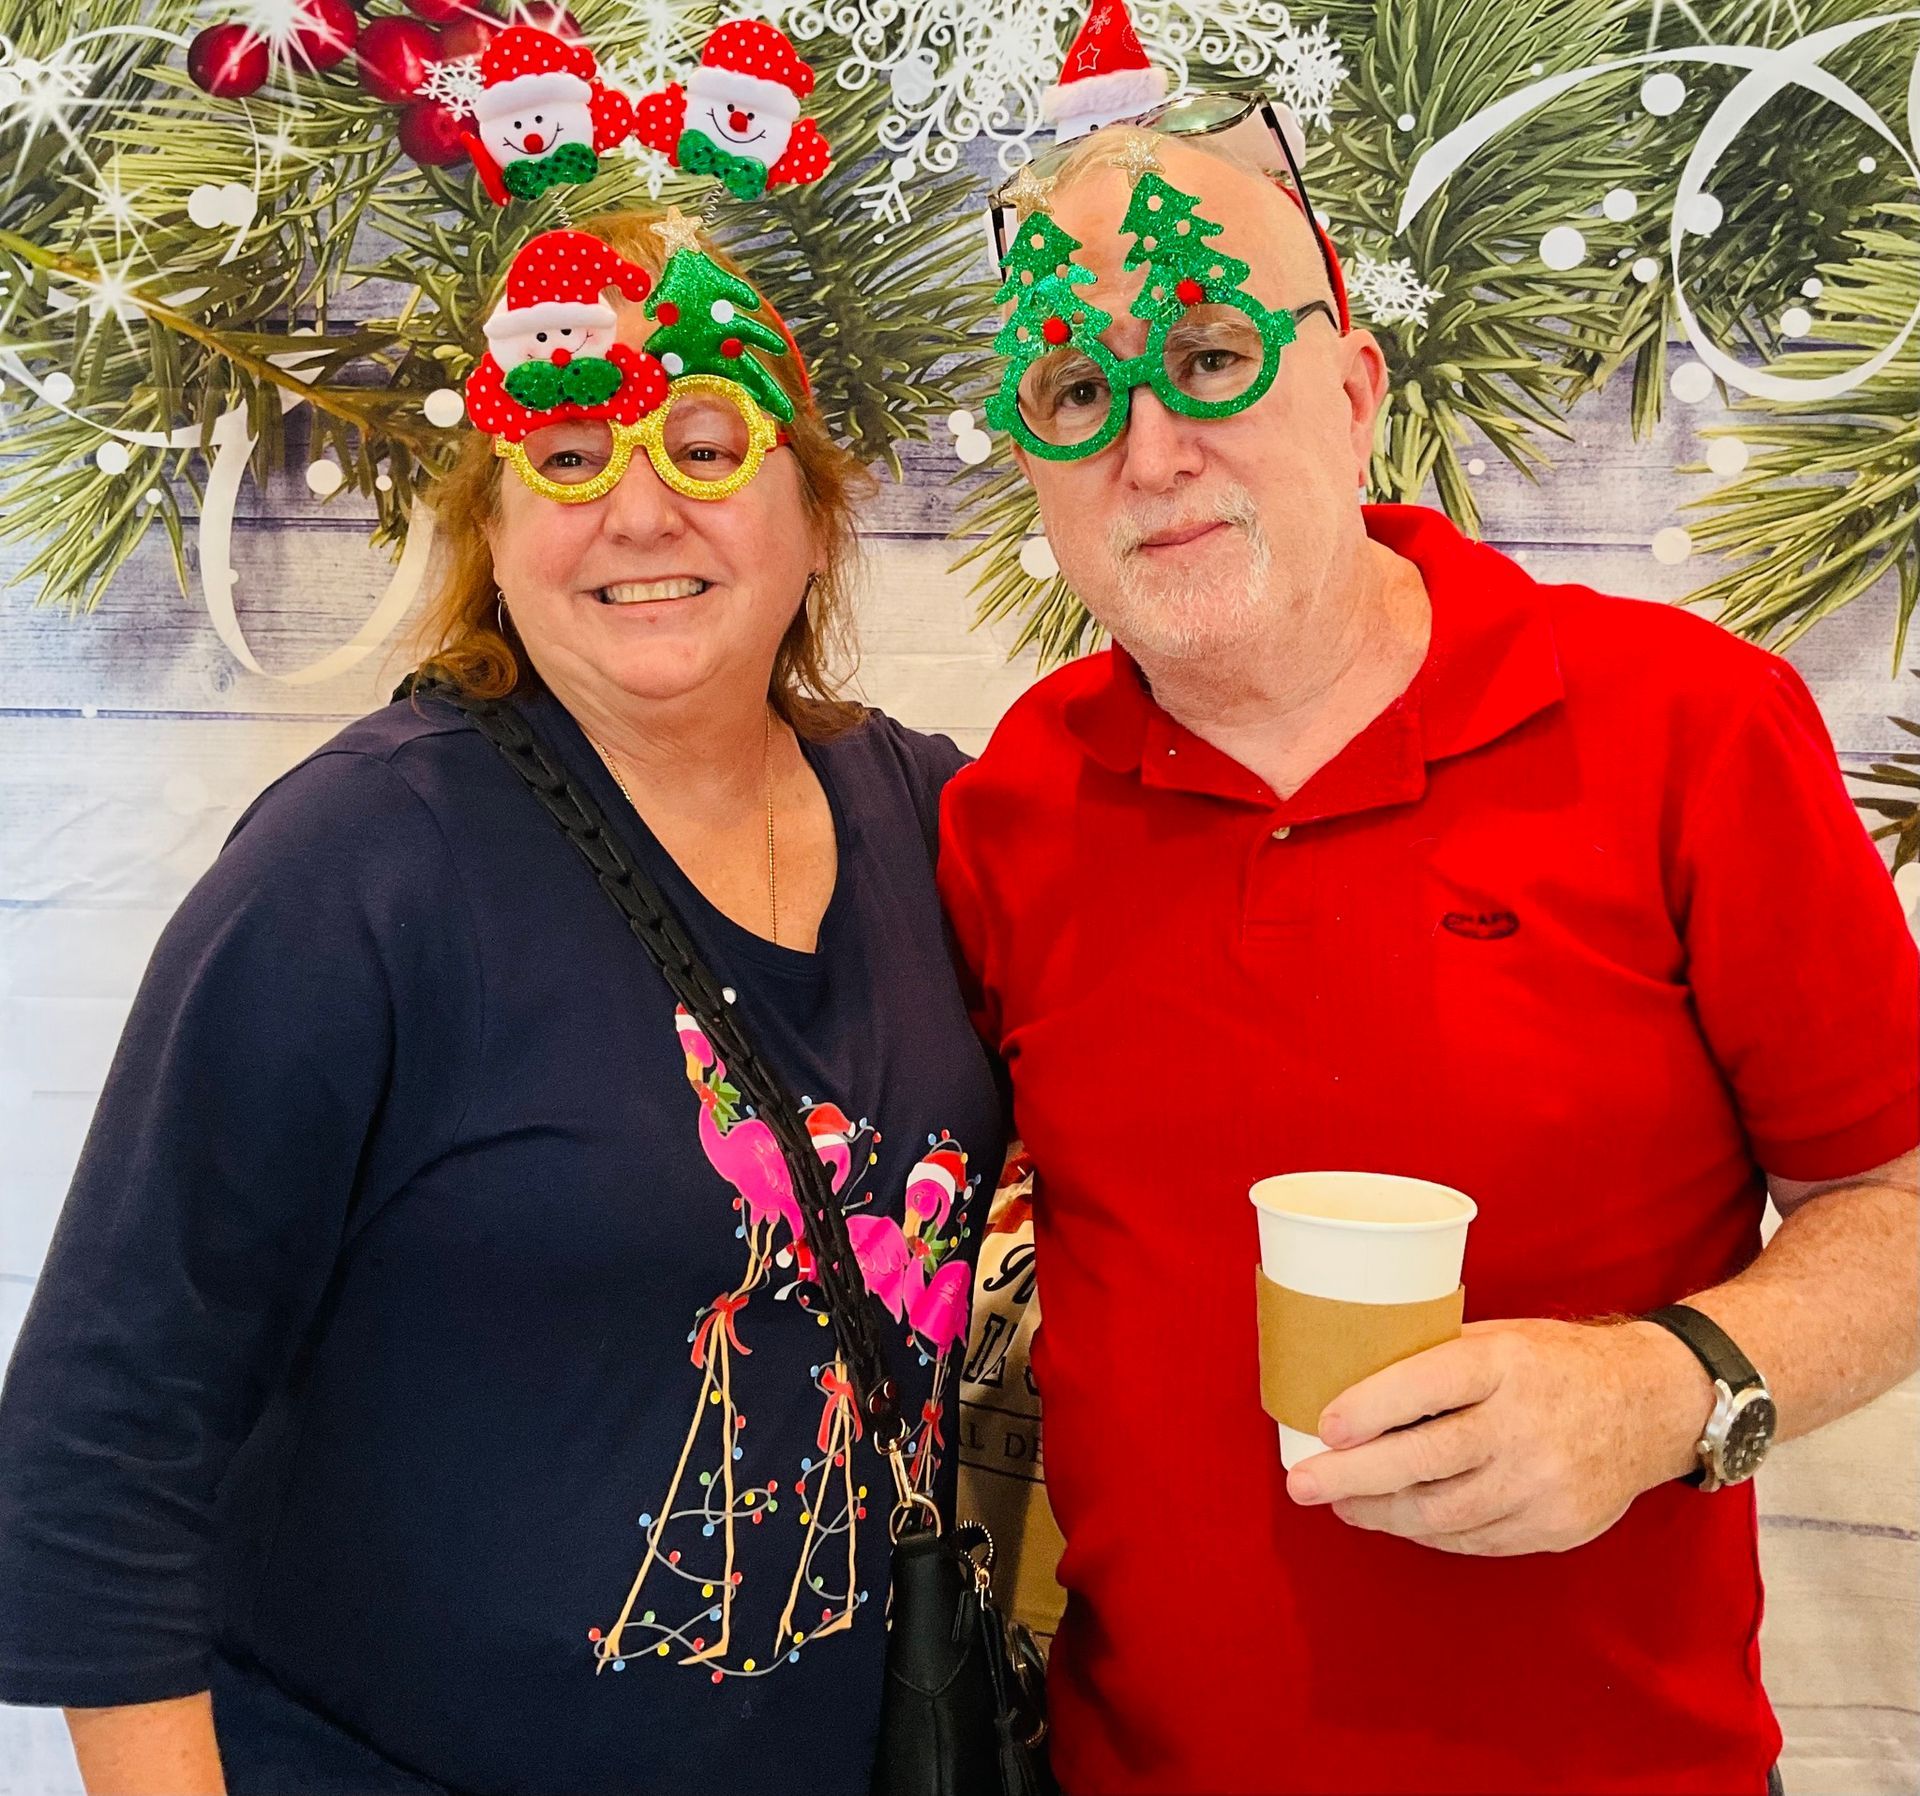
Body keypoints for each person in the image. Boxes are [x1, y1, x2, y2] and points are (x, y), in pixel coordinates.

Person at [938, 116, 1920, 1796]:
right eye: (1074, 395)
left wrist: (1668, 1390)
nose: (1151, 446)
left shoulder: (1688, 730)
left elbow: (1893, 1206)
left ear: (1356, 387)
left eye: (1211, 353)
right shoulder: (1005, 813)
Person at [0, 208, 1004, 1795]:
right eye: (572, 459)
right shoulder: (360, 867)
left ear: (817, 513)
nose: (637, 509)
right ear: (494, 527)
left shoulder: (943, 828)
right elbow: (99, 1441)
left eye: (705, 442)